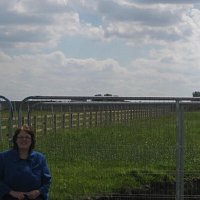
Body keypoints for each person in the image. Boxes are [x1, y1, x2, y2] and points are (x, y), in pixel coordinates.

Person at [0, 125, 51, 200]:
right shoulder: (4, 157)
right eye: (20, 137)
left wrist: (38, 192)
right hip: (9, 197)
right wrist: (12, 192)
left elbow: (47, 181)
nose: (24, 139)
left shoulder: (40, 158)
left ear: (31, 140)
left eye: (27, 137)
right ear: (16, 140)